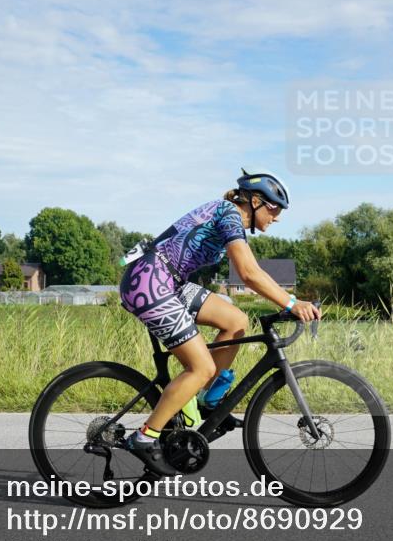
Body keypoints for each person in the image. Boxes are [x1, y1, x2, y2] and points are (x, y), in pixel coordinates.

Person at [118, 168, 321, 476]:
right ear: (255, 201)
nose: (277, 216)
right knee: (201, 367)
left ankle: (208, 402)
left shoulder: (228, 215)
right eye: (274, 208)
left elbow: (253, 269)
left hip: (166, 281)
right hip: (148, 283)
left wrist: (288, 301)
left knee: (236, 320)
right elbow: (248, 273)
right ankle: (145, 437)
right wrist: (292, 303)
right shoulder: (229, 215)